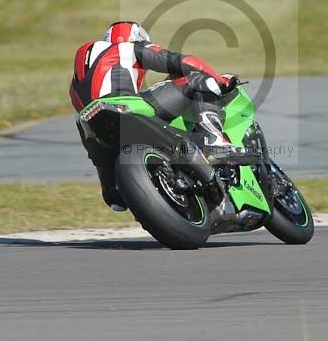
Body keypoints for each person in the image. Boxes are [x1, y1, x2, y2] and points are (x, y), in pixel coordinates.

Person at [69, 21, 237, 211]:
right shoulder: (128, 47)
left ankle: (121, 186)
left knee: (115, 200)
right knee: (198, 80)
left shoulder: (78, 76)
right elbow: (183, 62)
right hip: (124, 106)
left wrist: (108, 184)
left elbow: (84, 126)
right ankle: (215, 140)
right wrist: (220, 79)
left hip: (92, 132)